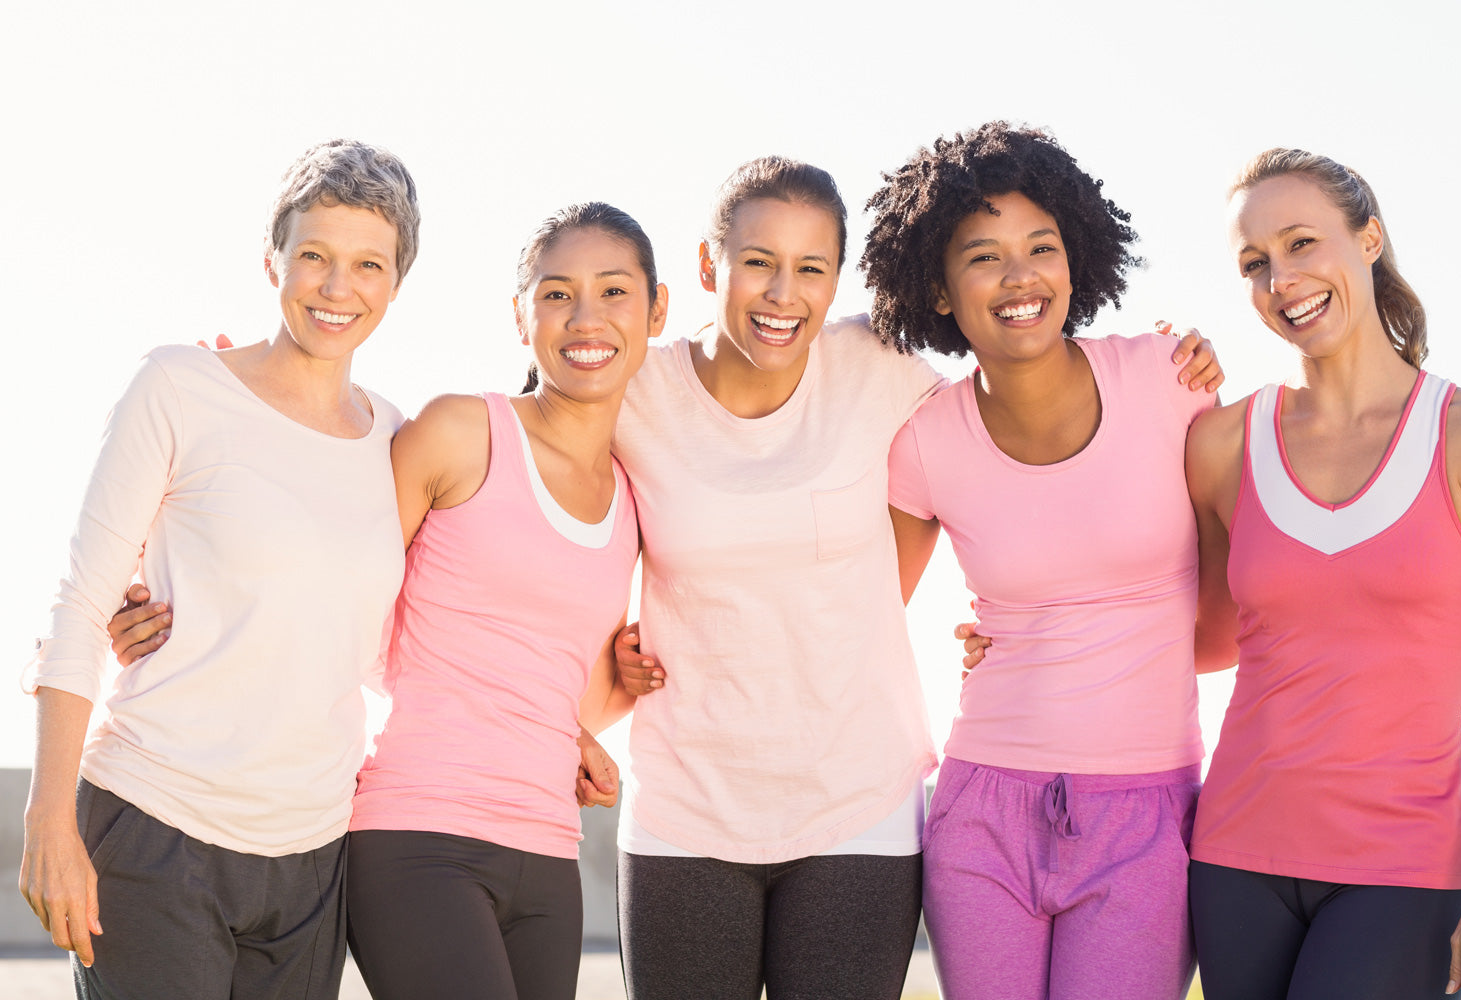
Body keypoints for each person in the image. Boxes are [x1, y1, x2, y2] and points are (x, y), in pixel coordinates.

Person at [610, 153, 1224, 1000]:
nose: (783, 292)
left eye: (812, 269)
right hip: (758, 803)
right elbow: (862, 596)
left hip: (941, 805)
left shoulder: (1152, 380)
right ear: (711, 265)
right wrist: (601, 670)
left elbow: (1235, 583)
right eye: (758, 262)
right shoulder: (648, 394)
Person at [20, 139, 418, 999]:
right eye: (313, 255)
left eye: (367, 264)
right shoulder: (179, 386)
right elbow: (85, 598)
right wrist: (48, 817)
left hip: (314, 855)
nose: (336, 287)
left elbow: (397, 641)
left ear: (396, 282)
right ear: (272, 257)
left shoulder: (399, 437)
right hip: (158, 828)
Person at [859, 121, 1238, 1000]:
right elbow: (863, 617)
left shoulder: (1170, 380)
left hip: (1147, 808)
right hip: (982, 806)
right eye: (983, 256)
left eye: (1042, 247)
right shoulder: (924, 439)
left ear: (1077, 261)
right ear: (940, 290)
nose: (1020, 276)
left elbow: (1229, 614)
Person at [1185, 149, 1461, 1000]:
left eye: (1300, 243)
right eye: (1255, 263)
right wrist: (1015, 631)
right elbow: (1200, 635)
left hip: (1408, 861)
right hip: (1235, 854)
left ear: (1368, 239)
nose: (1281, 279)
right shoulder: (1219, 444)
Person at [341, 202, 661, 1000]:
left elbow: (552, 682)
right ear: (521, 317)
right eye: (556, 294)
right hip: (418, 832)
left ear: (657, 311)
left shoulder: (631, 500)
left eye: (614, 292)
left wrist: (589, 724)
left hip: (549, 851)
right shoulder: (461, 432)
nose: (585, 317)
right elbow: (332, 584)